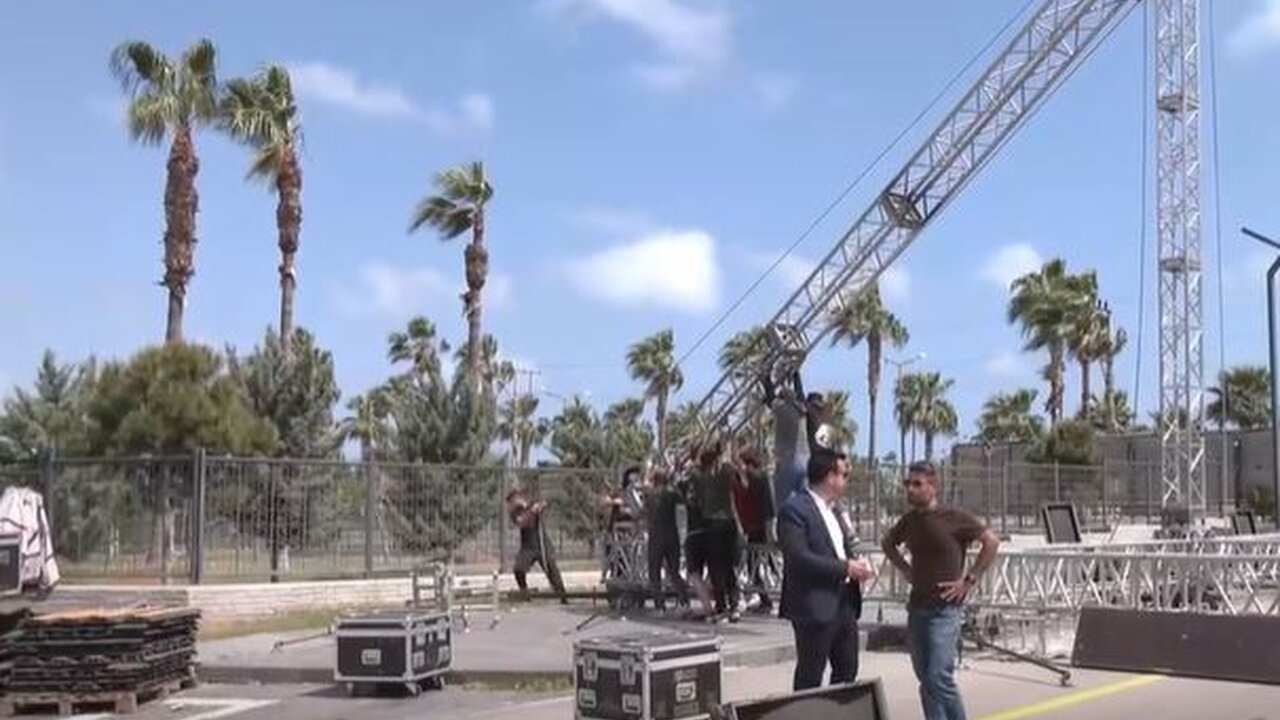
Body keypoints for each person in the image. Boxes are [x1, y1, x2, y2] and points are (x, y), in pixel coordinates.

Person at [881, 461, 1000, 720]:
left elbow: (991, 541)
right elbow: (888, 543)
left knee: (938, 677)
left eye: (917, 484)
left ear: (933, 486)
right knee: (926, 679)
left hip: (945, 611)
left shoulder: (954, 517)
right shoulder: (910, 521)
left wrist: (969, 579)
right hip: (918, 609)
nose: (910, 489)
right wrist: (905, 568)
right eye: (907, 484)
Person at [777, 448, 872, 690]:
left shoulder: (836, 510)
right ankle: (806, 710)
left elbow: (842, 547)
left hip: (845, 603)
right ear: (830, 476)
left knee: (847, 670)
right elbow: (799, 557)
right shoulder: (794, 510)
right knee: (811, 675)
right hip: (814, 605)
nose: (846, 480)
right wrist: (845, 568)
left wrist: (858, 565)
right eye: (844, 474)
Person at [689, 440, 741, 622]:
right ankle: (734, 606)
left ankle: (722, 606)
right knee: (729, 568)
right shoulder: (727, 471)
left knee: (716, 568)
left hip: (712, 524)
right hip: (729, 522)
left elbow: (693, 468)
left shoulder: (703, 477)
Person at [731, 445, 776, 613]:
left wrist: (770, 531)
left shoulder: (760, 478)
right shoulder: (750, 479)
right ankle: (764, 599)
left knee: (758, 564)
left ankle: (767, 599)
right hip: (753, 527)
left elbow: (768, 508)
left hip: (760, 527)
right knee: (755, 564)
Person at [505, 489, 568, 604]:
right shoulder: (515, 513)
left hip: (541, 543)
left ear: (518, 498)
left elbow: (547, 502)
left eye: (512, 502)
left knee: (552, 570)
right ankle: (525, 594)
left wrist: (542, 506)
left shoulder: (532, 503)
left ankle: (563, 596)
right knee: (519, 569)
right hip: (528, 547)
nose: (511, 505)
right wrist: (531, 512)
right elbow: (521, 522)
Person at [762, 371, 809, 511]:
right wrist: (796, 375)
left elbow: (770, 397)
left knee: (782, 502)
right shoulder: (802, 410)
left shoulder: (782, 410)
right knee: (805, 500)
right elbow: (800, 393)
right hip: (805, 460)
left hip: (788, 460)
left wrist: (766, 378)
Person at [644, 469, 689, 612]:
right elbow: (683, 500)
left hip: (656, 537)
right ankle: (684, 600)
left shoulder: (649, 494)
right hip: (671, 535)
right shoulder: (671, 493)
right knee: (674, 571)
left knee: (654, 573)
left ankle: (659, 606)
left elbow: (644, 512)